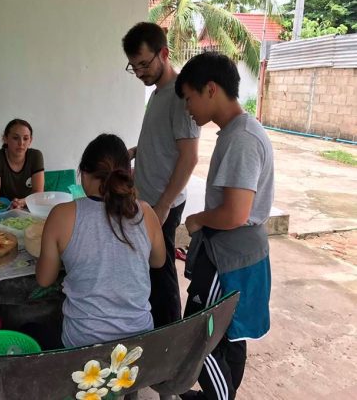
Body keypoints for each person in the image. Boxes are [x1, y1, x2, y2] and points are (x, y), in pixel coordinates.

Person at [175, 52, 274, 400]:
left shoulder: (240, 139)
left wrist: (198, 219)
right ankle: (218, 394)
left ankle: (220, 397)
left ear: (211, 89)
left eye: (189, 98)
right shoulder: (239, 131)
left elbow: (234, 213)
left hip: (228, 256)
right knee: (230, 334)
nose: (188, 108)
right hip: (237, 253)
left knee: (201, 335)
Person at [36, 134, 166, 348]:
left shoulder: (62, 215)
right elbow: (158, 261)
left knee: (35, 328)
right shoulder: (145, 212)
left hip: (84, 347)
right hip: (139, 344)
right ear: (126, 174)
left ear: (84, 174)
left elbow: (44, 279)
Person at [122, 22, 200, 327]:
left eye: (144, 63)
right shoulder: (158, 92)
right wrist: (134, 151)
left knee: (162, 269)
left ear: (163, 53)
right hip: (148, 200)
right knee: (151, 268)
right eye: (133, 66)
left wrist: (164, 206)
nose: (139, 72)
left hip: (162, 203)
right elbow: (164, 140)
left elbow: (189, 156)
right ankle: (154, 327)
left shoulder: (181, 96)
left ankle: (170, 339)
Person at [0, 119, 44, 209]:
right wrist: (10, 206)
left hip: (30, 207)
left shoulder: (35, 156)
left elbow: (38, 192)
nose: (21, 143)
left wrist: (22, 202)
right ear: (5, 138)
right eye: (15, 138)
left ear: (30, 140)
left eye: (25, 138)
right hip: (2, 209)